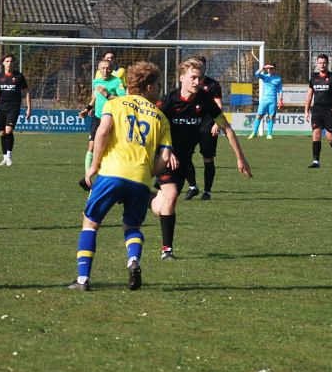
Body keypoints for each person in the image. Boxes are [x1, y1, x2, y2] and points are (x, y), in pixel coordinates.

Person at [69, 61, 172, 292]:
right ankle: (133, 260)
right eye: (157, 85)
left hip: (111, 174)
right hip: (140, 179)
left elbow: (103, 132)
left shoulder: (115, 104)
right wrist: (148, 173)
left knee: (90, 223)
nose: (159, 89)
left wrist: (93, 166)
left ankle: (83, 280)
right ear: (148, 87)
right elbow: (165, 156)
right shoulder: (160, 117)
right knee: (132, 226)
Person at [153, 58, 252, 260]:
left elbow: (227, 127)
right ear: (182, 78)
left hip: (184, 159)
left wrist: (241, 158)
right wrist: (167, 151)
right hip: (165, 156)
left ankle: (144, 199)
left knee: (160, 206)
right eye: (193, 78)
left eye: (200, 78)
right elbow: (154, 129)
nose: (197, 82)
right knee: (171, 197)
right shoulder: (168, 101)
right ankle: (167, 250)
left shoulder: (205, 100)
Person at [77, 58, 126, 190]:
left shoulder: (117, 82)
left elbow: (123, 99)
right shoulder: (96, 81)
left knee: (109, 149)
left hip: (111, 119)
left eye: (108, 68)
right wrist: (88, 108)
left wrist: (108, 95)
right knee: (91, 145)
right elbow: (95, 96)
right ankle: (87, 179)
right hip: (97, 118)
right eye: (103, 68)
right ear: (99, 69)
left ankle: (113, 178)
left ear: (112, 69)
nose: (105, 70)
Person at [182, 55, 223, 201]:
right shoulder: (189, 81)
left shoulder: (213, 85)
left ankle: (207, 191)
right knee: (184, 156)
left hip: (208, 126)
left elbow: (218, 106)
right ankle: (193, 187)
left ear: (205, 67)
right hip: (191, 125)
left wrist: (217, 124)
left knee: (208, 158)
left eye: (201, 66)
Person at [304, 53, 332, 168]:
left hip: (329, 111)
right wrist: (306, 111)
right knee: (316, 134)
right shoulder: (313, 78)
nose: (322, 65)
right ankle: (316, 162)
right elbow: (309, 96)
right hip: (316, 111)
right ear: (317, 64)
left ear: (327, 64)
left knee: (330, 137)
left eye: (324, 63)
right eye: (320, 63)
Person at [0, 53, 31, 166]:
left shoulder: (19, 76)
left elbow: (27, 92)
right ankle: (4, 157)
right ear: (3, 63)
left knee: (8, 130)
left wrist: (29, 108)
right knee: (2, 133)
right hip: (1, 108)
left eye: (11, 61)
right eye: (7, 61)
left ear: (13, 63)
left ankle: (9, 157)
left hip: (13, 108)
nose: (9, 63)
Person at [249, 61, 284, 140]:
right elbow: (256, 74)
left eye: (271, 68)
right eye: (269, 68)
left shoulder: (278, 78)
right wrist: (263, 67)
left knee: (271, 117)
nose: (270, 69)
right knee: (259, 115)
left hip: (273, 100)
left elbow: (280, 90)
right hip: (264, 100)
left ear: (274, 69)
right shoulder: (264, 76)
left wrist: (281, 100)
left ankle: (269, 134)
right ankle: (254, 133)